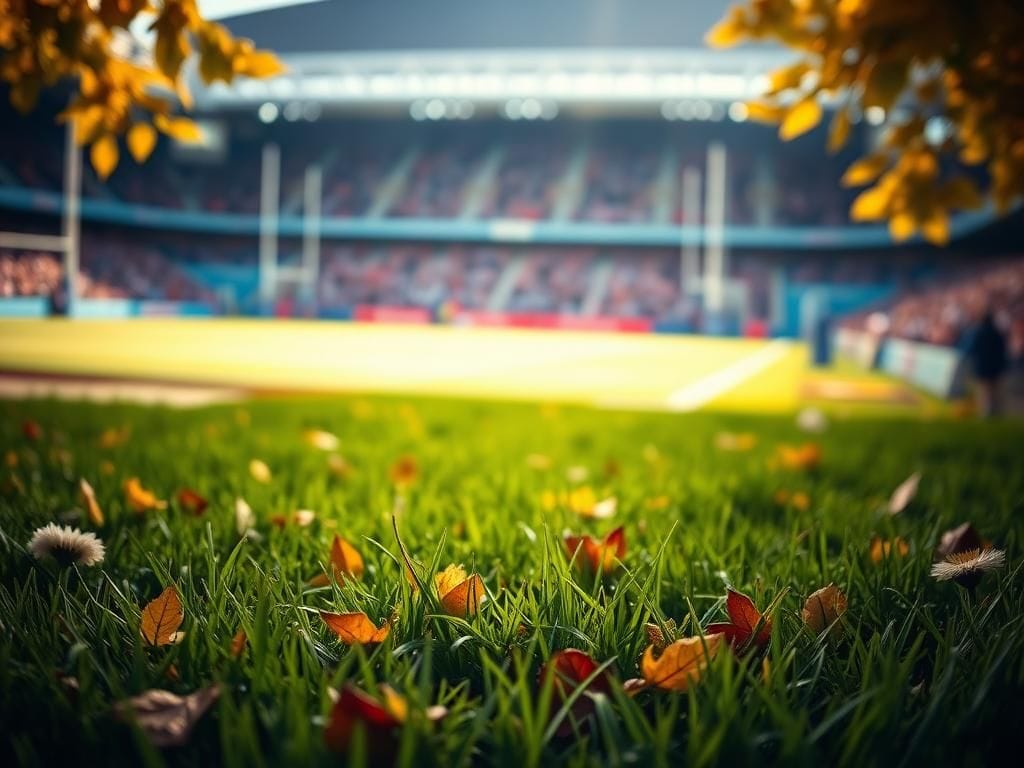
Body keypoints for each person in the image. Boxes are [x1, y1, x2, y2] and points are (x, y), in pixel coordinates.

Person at [967, 311, 1008, 417]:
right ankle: (997, 413)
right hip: (995, 369)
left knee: (984, 394)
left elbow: (973, 349)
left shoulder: (979, 333)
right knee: (996, 393)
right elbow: (1002, 350)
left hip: (983, 368)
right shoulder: (997, 333)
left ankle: (985, 414)